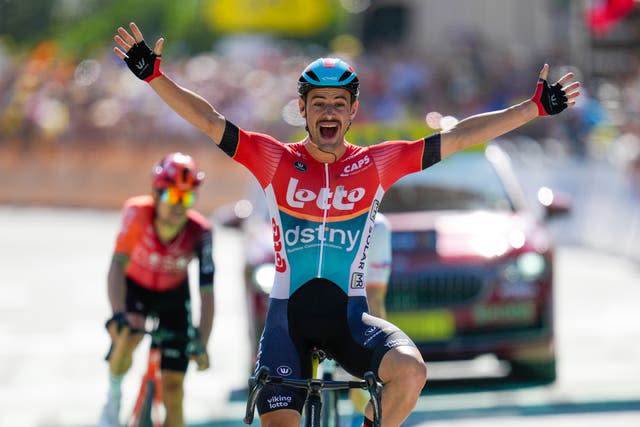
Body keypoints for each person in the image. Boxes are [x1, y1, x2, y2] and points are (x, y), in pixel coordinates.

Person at [112, 22, 580, 427]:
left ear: (353, 111)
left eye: (339, 102)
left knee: (412, 371)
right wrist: (155, 76)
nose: (329, 112)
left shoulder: (377, 164)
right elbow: (211, 120)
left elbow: (457, 138)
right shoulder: (274, 159)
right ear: (304, 109)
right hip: (287, 322)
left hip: (350, 320)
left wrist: (532, 108)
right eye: (319, 103)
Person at [99, 152, 215, 427]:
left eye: (187, 198)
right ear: (155, 192)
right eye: (171, 196)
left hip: (174, 298)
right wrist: (118, 315)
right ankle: (113, 396)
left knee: (174, 390)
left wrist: (203, 341)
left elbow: (207, 291)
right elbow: (117, 265)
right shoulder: (137, 212)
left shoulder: (201, 231)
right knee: (129, 332)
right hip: (135, 289)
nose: (178, 206)